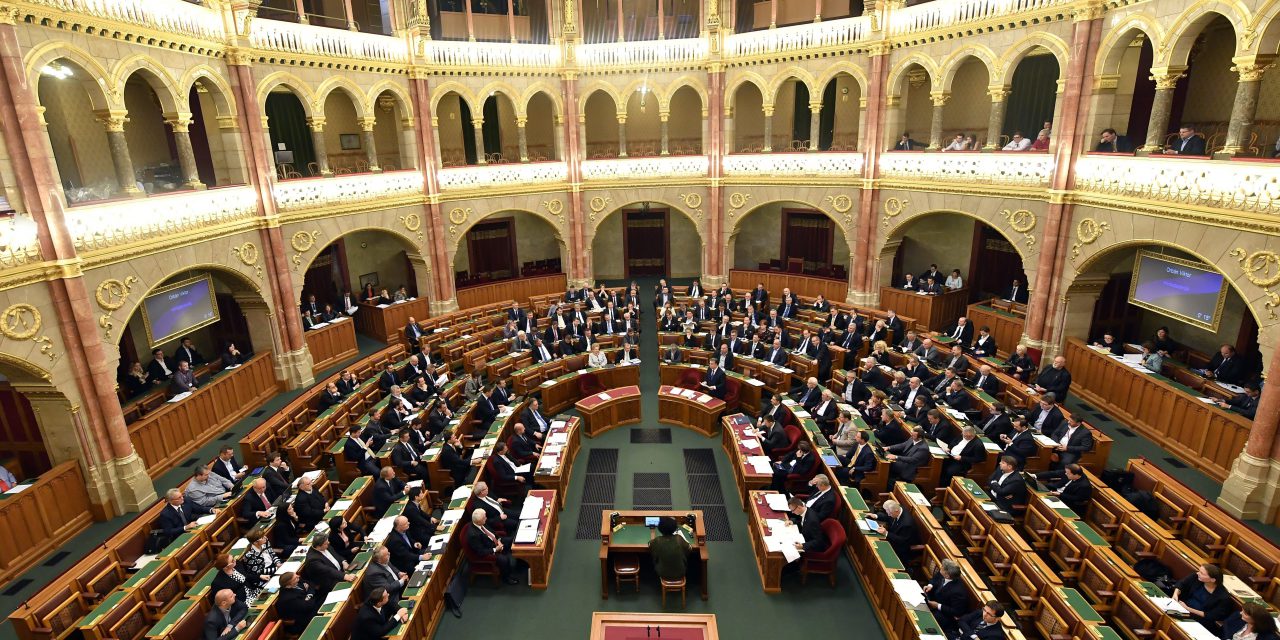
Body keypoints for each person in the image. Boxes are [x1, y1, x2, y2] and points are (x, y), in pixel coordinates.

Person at [1171, 564, 1232, 631]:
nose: (1198, 573)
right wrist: (1175, 594)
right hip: (1181, 608)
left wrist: (1187, 608)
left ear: (1213, 580)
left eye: (1202, 573)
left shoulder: (1223, 597)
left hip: (1199, 620)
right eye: (1199, 571)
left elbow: (1210, 616)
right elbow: (1181, 584)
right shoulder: (1196, 577)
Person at [467, 509, 519, 584]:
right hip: (489, 551)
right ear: (478, 522)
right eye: (484, 518)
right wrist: (496, 549)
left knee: (513, 540)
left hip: (496, 542)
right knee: (504, 560)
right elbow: (481, 552)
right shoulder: (473, 535)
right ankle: (507, 578)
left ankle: (521, 562)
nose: (486, 519)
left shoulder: (481, 522)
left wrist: (498, 540)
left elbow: (492, 532)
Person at [924, 560, 969, 636]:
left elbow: (956, 611)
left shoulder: (958, 592)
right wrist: (930, 585)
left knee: (925, 622)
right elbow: (936, 578)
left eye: (942, 568)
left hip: (945, 615)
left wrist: (938, 605)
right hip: (933, 600)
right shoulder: (944, 574)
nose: (940, 568)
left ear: (947, 575)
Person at [240, 530, 280, 602]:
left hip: (274, 567)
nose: (265, 537)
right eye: (262, 537)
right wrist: (276, 569)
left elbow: (272, 554)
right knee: (276, 590)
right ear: (255, 542)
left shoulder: (266, 541)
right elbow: (258, 572)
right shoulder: (249, 555)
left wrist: (278, 563)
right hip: (262, 577)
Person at [648, 516, 692, 580]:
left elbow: (650, 545)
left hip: (662, 573)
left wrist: (652, 533)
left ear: (660, 528)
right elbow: (690, 549)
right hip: (681, 572)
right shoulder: (679, 539)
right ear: (674, 528)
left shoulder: (657, 541)